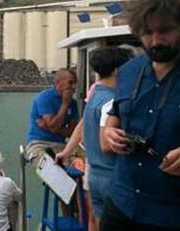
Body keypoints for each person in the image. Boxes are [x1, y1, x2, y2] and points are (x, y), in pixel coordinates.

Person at [100, 0, 180, 230]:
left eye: (165, 30)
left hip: (174, 213)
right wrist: (109, 131)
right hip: (120, 204)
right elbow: (115, 114)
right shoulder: (128, 71)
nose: (156, 41)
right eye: (148, 33)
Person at [56, 47, 132, 231]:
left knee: (93, 220)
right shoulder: (110, 102)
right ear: (117, 70)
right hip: (110, 175)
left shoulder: (94, 95)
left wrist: (66, 152)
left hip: (93, 174)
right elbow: (106, 145)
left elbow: (81, 126)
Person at [26, 68, 79, 159]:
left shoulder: (73, 103)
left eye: (75, 83)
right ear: (59, 83)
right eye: (70, 83)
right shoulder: (44, 98)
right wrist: (64, 104)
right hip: (40, 144)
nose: (73, 87)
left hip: (61, 145)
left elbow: (72, 131)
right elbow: (53, 126)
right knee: (51, 168)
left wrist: (50, 128)